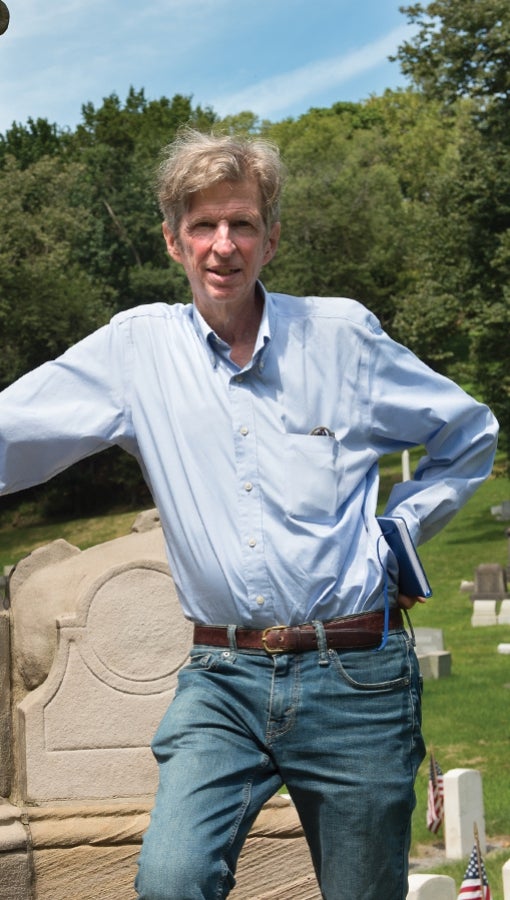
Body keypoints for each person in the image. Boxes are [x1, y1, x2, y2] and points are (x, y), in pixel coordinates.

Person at [0, 129, 498, 900]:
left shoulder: (340, 338)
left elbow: (467, 435)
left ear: (272, 239)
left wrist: (397, 537)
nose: (222, 245)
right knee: (171, 882)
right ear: (173, 241)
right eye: (203, 226)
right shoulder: (136, 352)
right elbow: (11, 433)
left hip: (356, 676)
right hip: (221, 680)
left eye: (242, 224)